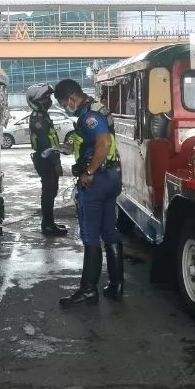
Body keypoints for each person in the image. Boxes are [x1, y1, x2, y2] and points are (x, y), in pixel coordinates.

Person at [53, 78, 123, 307]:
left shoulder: (89, 116)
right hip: (112, 177)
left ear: (72, 98)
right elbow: (98, 143)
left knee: (91, 235)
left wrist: (89, 171)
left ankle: (88, 291)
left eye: (65, 103)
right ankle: (116, 285)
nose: (66, 107)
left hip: (97, 181)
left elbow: (103, 142)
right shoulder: (97, 107)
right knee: (109, 231)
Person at [25, 83, 68, 237]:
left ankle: (49, 223)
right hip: (46, 159)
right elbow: (45, 144)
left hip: (48, 158)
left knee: (51, 191)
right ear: (35, 101)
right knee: (48, 192)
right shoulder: (38, 118)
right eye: (45, 98)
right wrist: (56, 163)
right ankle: (48, 225)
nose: (49, 100)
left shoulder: (43, 115)